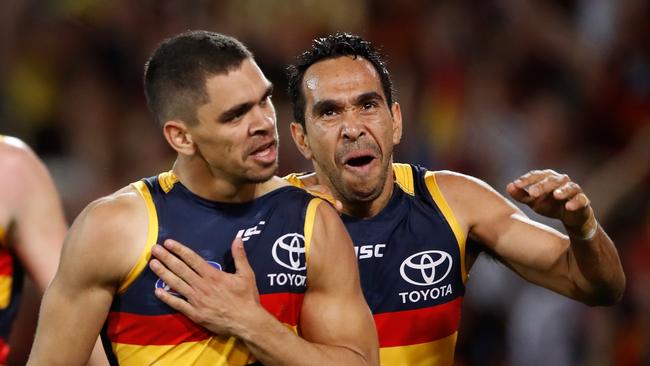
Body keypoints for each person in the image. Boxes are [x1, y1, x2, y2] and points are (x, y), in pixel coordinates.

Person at [150, 33, 626, 366]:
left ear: (395, 122)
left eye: (368, 105)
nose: (353, 126)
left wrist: (583, 226)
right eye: (330, 112)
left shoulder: (453, 203)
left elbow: (599, 286)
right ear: (302, 138)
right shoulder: (260, 218)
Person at [27, 31, 378, 366]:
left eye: (264, 100)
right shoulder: (113, 229)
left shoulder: (312, 222)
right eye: (236, 114)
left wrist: (251, 323)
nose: (263, 123)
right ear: (181, 138)